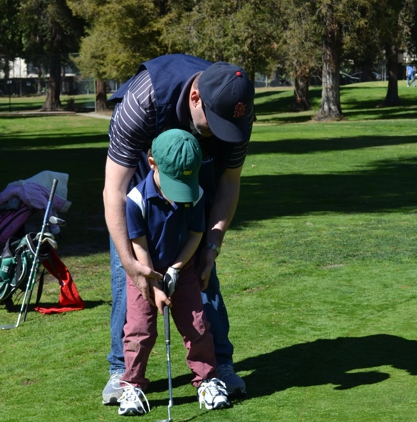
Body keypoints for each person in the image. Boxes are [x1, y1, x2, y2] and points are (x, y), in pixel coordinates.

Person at [102, 54, 255, 405]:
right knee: (130, 286)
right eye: (213, 123)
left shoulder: (237, 112)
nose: (220, 133)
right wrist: (128, 259)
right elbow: (114, 189)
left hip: (194, 189)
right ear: (196, 97)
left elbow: (230, 181)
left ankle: (218, 368)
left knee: (203, 279)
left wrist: (212, 243)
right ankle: (121, 371)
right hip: (142, 185)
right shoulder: (144, 99)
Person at [117, 129, 230, 416]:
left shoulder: (194, 194)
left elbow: (195, 234)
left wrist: (177, 269)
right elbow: (138, 245)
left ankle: (207, 380)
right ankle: (132, 384)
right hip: (144, 271)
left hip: (183, 269)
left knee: (198, 325)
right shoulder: (136, 199)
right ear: (152, 163)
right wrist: (153, 283)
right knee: (139, 330)